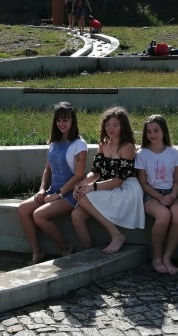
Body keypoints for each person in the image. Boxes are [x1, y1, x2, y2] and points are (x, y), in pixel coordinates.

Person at [17, 102, 87, 264]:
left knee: (39, 215)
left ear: (73, 121)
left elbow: (79, 175)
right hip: (52, 190)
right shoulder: (53, 142)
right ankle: (37, 251)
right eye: (59, 120)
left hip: (70, 194)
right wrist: (42, 189)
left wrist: (58, 194)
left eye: (65, 120)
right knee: (23, 209)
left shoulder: (79, 144)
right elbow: (47, 169)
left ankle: (65, 247)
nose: (62, 124)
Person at [72, 107, 144, 254]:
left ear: (123, 126)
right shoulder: (103, 144)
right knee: (76, 215)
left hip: (125, 188)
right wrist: (82, 184)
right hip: (105, 184)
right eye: (107, 125)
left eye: (115, 125)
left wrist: (92, 187)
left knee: (83, 197)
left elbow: (119, 181)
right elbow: (96, 172)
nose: (110, 129)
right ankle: (87, 254)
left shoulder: (127, 147)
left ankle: (116, 234)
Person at [135, 115, 178, 274]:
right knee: (163, 215)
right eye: (149, 131)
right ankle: (156, 257)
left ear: (164, 131)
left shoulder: (174, 153)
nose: (152, 134)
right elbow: (143, 183)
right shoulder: (142, 154)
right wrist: (160, 198)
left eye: (156, 130)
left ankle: (167, 257)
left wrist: (172, 196)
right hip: (151, 194)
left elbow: (177, 181)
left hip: (172, 192)